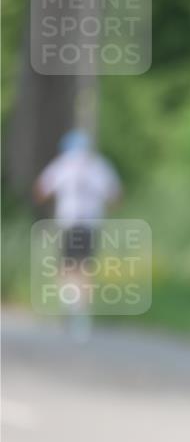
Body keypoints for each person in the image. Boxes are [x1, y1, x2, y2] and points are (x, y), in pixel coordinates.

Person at [33, 128, 122, 340]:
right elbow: (116, 195)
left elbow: (41, 190)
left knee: (66, 267)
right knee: (85, 268)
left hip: (68, 222)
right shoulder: (98, 165)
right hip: (90, 223)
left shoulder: (62, 164)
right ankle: (81, 314)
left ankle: (69, 305)